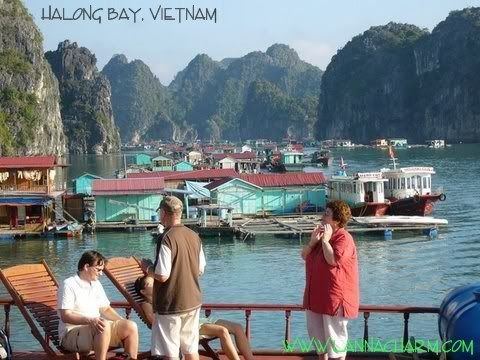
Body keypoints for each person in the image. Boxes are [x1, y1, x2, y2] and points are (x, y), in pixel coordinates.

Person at [141, 195, 205, 360]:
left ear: (163, 213)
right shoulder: (194, 236)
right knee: (191, 349)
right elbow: (199, 270)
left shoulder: (166, 238)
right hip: (193, 301)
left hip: (171, 304)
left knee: (170, 352)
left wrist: (147, 268)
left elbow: (162, 275)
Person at [134, 275, 255, 360]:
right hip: (185, 325)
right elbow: (154, 321)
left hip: (196, 319)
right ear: (143, 292)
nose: (155, 285)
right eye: (151, 284)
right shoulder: (147, 304)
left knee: (237, 327)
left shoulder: (163, 297)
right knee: (222, 331)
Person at [301, 200, 359, 360]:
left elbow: (333, 260)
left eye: (327, 214)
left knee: (335, 340)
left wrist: (326, 241)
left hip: (334, 299)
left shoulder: (344, 239)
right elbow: (304, 255)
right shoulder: (322, 236)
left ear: (337, 219)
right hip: (316, 298)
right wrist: (313, 242)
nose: (323, 216)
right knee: (318, 338)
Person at [57, 251, 139, 360]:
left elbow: (105, 309)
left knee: (130, 326)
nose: (101, 274)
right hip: (71, 334)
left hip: (95, 330)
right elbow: (65, 316)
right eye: (98, 270)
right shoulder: (68, 284)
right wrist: (90, 320)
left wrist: (121, 321)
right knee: (102, 325)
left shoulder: (96, 284)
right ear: (86, 267)